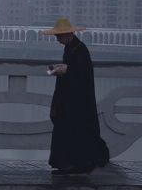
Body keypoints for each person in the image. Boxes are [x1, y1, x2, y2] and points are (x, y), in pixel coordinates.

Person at [43, 18, 109, 175]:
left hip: (78, 102)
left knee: (76, 132)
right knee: (67, 131)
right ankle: (66, 164)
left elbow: (83, 74)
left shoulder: (80, 50)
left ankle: (77, 164)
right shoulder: (70, 48)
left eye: (59, 36)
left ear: (68, 34)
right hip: (69, 100)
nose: (58, 39)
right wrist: (61, 69)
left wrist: (67, 71)